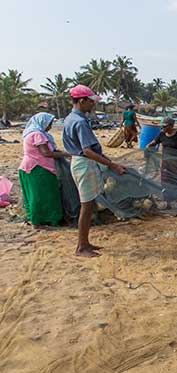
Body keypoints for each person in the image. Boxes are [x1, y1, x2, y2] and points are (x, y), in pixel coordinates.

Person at [63, 85, 127, 257]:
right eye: (91, 102)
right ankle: (81, 247)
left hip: (80, 163)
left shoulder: (70, 118)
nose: (93, 105)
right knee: (86, 205)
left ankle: (85, 243)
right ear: (82, 101)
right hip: (84, 164)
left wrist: (109, 161)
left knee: (89, 204)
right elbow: (88, 151)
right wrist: (113, 166)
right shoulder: (80, 121)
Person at [18, 113, 71, 226]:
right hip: (38, 169)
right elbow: (46, 153)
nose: (50, 127)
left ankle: (37, 219)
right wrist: (67, 154)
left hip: (30, 168)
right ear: (43, 122)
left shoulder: (30, 133)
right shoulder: (38, 135)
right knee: (44, 195)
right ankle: (44, 220)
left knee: (34, 195)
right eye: (49, 124)